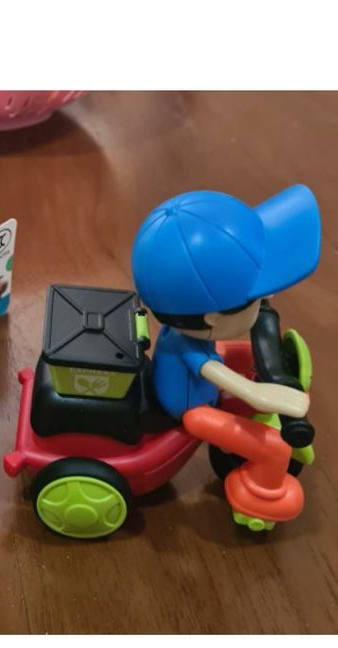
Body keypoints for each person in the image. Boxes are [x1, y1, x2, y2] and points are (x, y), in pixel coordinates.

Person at [131, 185, 321, 526]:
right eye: (255, 299)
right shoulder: (189, 348)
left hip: (199, 387)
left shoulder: (188, 331)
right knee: (275, 448)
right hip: (193, 411)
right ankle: (259, 495)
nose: (266, 300)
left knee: (245, 357)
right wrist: (261, 393)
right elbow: (222, 377)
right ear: (213, 318)